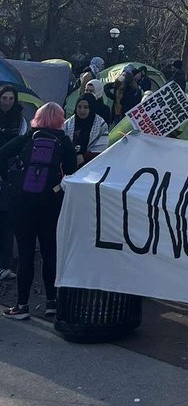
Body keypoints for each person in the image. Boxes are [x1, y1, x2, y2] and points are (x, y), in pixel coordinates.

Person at [0, 102, 77, 320]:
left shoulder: (28, 137)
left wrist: (12, 178)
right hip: (50, 202)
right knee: (49, 252)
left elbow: (2, 154)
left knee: (25, 254)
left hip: (23, 202)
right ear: (60, 120)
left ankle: (21, 306)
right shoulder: (63, 140)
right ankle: (51, 301)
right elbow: (71, 170)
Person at [0, 85, 27, 282]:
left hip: (9, 176)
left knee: (6, 220)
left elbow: (21, 147)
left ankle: (5, 263)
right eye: (4, 98)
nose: (6, 102)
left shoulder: (20, 121)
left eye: (10, 98)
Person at [63, 96, 109, 169]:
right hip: (69, 165)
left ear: (91, 108)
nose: (82, 110)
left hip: (92, 166)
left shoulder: (100, 125)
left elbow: (102, 148)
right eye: (79, 107)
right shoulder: (68, 124)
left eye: (86, 107)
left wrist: (84, 157)